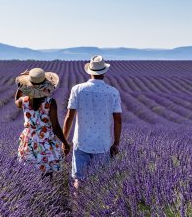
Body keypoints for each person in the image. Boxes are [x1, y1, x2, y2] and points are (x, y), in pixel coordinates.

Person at [63, 55, 122, 189]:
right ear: (104, 72)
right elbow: (118, 120)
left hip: (81, 142)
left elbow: (69, 117)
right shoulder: (113, 92)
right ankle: (96, 207)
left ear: (90, 72)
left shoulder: (77, 89)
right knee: (101, 182)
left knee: (79, 180)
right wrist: (116, 144)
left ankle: (78, 208)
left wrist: (64, 141)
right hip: (103, 143)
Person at [15, 68, 70, 178]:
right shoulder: (50, 102)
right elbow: (55, 126)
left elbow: (16, 100)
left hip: (29, 142)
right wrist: (65, 143)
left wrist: (21, 86)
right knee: (47, 174)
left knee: (29, 174)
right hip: (45, 142)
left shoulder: (23, 101)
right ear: (45, 84)